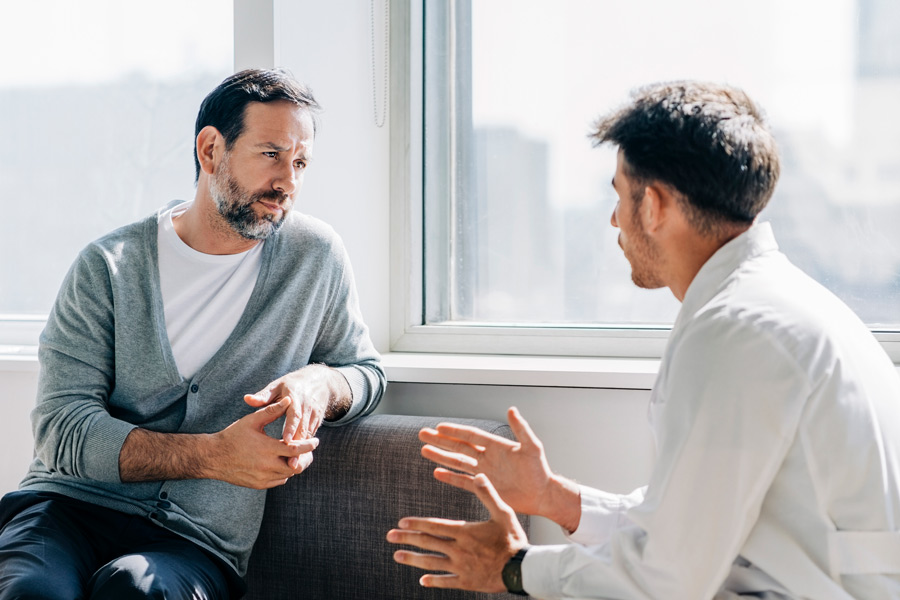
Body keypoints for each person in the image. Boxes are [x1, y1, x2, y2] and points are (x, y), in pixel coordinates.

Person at [387, 81, 900, 599]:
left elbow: (666, 580)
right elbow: (690, 527)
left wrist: (513, 568)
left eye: (619, 194)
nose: (614, 218)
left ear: (653, 205)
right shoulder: (777, 306)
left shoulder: (735, 333)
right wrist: (555, 498)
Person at [0, 68, 385, 599]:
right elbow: (61, 430)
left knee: (134, 592)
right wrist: (212, 456)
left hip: (194, 540)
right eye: (271, 154)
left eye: (300, 163)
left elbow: (365, 372)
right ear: (210, 151)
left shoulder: (314, 257)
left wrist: (319, 384)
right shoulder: (109, 267)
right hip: (64, 508)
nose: (288, 182)